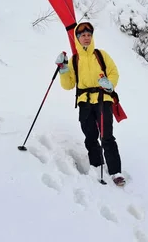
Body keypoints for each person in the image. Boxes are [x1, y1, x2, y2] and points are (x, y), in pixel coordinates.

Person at [54, 22, 125, 186]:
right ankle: (96, 164)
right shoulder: (74, 60)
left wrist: (110, 83)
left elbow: (114, 72)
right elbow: (68, 85)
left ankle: (116, 172)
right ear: (77, 39)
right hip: (84, 102)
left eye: (89, 35)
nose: (86, 38)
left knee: (106, 136)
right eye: (83, 36)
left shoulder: (101, 55)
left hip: (103, 99)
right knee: (90, 136)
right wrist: (63, 69)